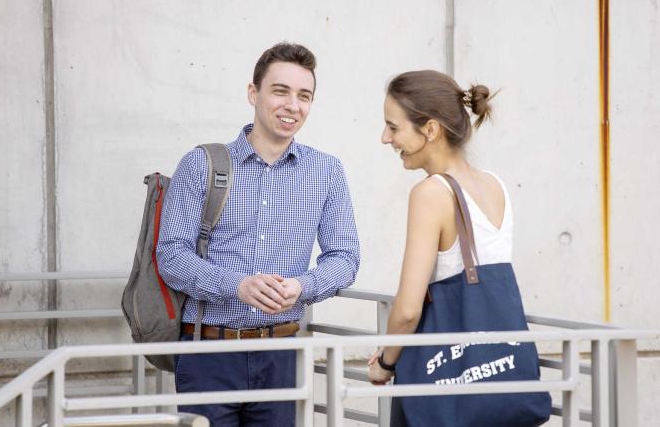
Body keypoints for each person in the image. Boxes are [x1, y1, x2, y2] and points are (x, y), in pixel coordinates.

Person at [157, 42, 361, 426]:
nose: (292, 106)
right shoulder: (201, 164)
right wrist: (236, 285)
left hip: (283, 353)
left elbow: (345, 256)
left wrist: (304, 286)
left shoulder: (327, 172)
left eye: (304, 96)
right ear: (254, 93)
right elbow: (170, 254)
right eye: (280, 91)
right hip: (208, 353)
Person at [366, 70, 505, 422]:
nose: (385, 138)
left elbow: (409, 309)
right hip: (491, 377)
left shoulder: (431, 193)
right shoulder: (495, 187)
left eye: (393, 127)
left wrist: (385, 363)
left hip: (439, 383)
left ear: (430, 130)